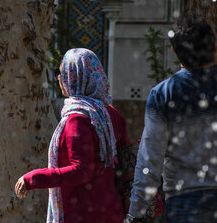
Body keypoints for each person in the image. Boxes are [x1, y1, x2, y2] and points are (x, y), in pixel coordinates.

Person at [127, 12, 217, 223]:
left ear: (175, 52)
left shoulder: (163, 94)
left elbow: (149, 160)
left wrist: (136, 214)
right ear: (214, 47)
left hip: (184, 205)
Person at [15, 48, 132, 223]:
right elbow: (125, 159)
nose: (59, 78)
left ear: (75, 77)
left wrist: (34, 178)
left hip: (83, 212)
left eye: (62, 73)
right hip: (111, 209)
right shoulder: (110, 114)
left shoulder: (77, 120)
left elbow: (81, 171)